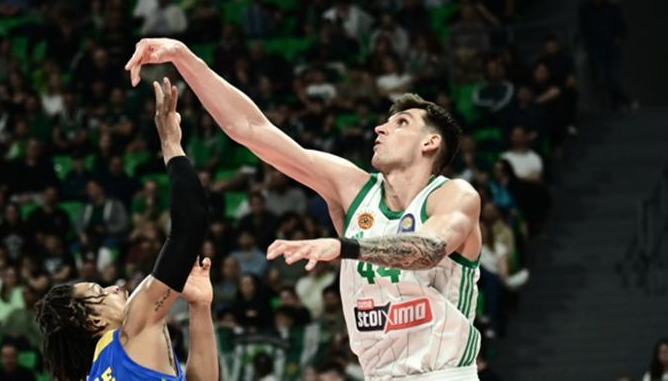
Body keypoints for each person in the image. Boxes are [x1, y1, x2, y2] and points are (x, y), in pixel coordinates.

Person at [126, 38, 482, 379]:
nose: (380, 128)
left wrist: (342, 247)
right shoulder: (354, 189)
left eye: (401, 123)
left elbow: (429, 249)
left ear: (430, 142)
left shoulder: (453, 195)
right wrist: (184, 57)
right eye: (386, 121)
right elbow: (252, 129)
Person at [35, 78, 218, 381]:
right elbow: (191, 222)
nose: (115, 288)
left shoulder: (96, 374)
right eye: (99, 292)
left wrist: (200, 307)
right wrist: (171, 144)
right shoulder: (133, 327)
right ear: (90, 321)